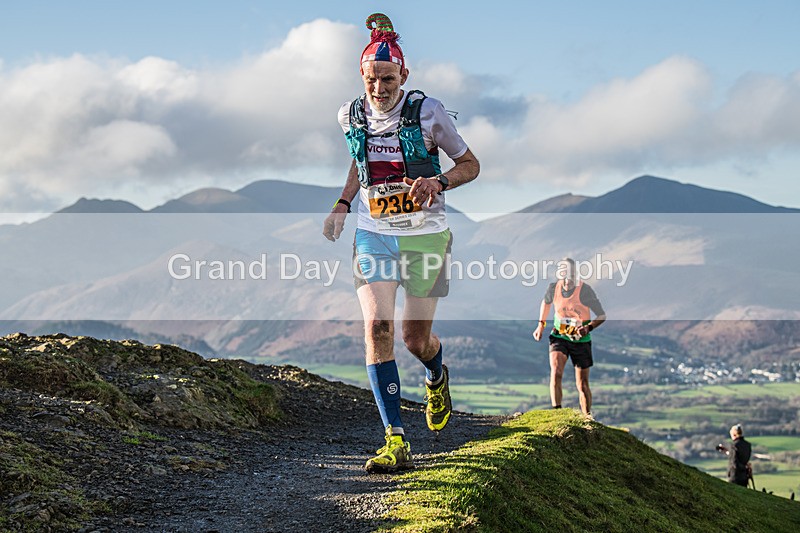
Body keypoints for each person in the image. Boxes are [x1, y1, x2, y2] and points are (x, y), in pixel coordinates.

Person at [322, 13, 480, 474]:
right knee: (377, 329)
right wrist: (343, 203)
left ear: (404, 75)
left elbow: (470, 164)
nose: (379, 88)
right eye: (372, 79)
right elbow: (359, 161)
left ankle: (436, 373)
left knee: (415, 339)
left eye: (387, 79)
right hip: (374, 234)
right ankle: (394, 438)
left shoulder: (427, 112)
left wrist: (439, 182)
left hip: (426, 238)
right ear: (362, 77)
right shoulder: (349, 114)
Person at [532, 258, 606, 416]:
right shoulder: (554, 288)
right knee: (556, 371)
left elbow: (601, 315)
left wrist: (588, 327)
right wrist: (541, 325)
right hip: (560, 336)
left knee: (582, 384)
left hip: (581, 341)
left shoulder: (585, 290)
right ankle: (557, 413)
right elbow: (545, 303)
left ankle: (587, 417)